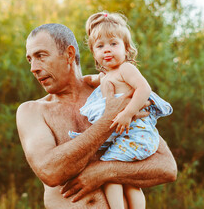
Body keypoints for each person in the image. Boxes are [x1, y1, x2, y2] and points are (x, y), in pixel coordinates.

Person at [16, 23, 177, 208]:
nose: (33, 68)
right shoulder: (31, 111)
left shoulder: (114, 89)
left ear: (69, 54)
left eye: (40, 56)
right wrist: (108, 119)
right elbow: (50, 171)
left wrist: (105, 171)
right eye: (30, 60)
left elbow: (167, 167)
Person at [67, 11, 173, 209]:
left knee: (109, 172)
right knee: (129, 181)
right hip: (128, 136)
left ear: (126, 48)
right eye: (100, 46)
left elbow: (144, 89)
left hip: (136, 134)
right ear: (94, 53)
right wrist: (79, 80)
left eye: (113, 44)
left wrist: (128, 113)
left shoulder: (126, 69)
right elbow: (89, 79)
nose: (107, 50)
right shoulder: (107, 76)